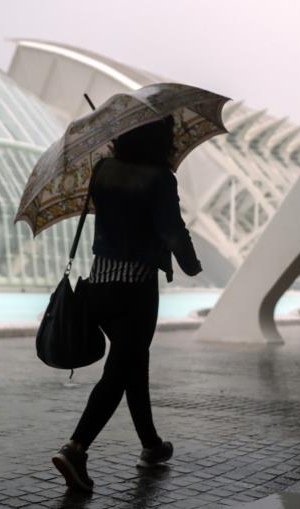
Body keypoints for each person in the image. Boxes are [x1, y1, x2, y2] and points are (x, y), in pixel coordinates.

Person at [51, 115, 202, 493]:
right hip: (136, 287)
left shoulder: (102, 170)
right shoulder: (160, 178)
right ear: (160, 141)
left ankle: (151, 445)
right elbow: (171, 229)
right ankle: (76, 448)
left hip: (100, 284)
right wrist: (190, 263)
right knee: (119, 372)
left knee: (133, 362)